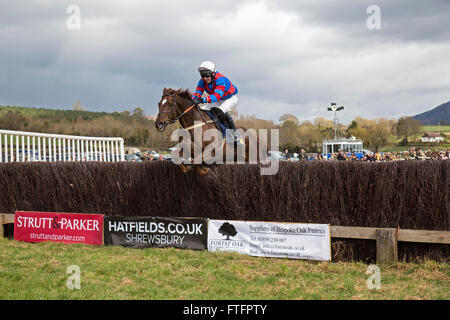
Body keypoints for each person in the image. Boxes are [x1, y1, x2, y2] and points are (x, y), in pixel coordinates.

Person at [191, 61, 242, 144]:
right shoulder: (202, 81)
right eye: (202, 75)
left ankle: (235, 136)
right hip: (218, 100)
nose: (204, 78)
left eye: (207, 75)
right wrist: (193, 100)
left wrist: (203, 100)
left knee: (219, 111)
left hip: (230, 99)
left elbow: (217, 95)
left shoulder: (220, 79)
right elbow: (198, 92)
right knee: (202, 110)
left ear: (213, 74)